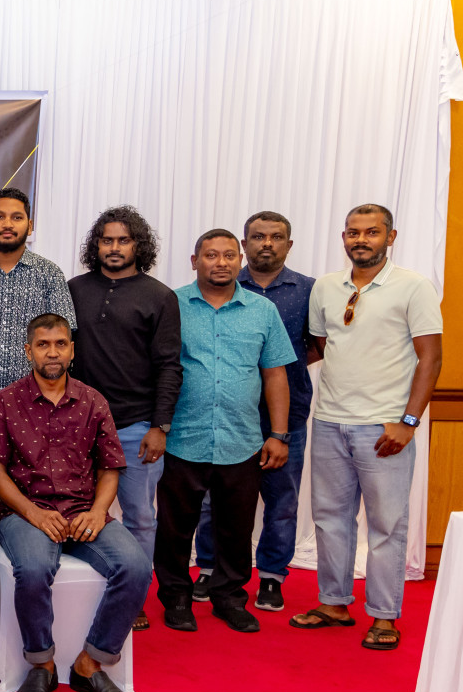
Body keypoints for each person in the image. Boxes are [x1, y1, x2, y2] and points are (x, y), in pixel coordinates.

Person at [0, 314, 150, 692]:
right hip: (24, 512)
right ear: (28, 350)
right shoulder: (4, 401)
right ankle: (43, 664)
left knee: (137, 566)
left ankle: (91, 664)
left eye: (59, 344)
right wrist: (32, 513)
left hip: (83, 510)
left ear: (71, 350)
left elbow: (110, 467)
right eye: (42, 344)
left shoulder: (93, 400)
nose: (51, 352)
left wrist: (98, 511)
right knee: (35, 569)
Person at [291, 204, 443, 649]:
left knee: (387, 525)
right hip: (329, 420)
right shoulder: (325, 287)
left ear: (390, 238)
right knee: (330, 519)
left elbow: (431, 358)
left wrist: (409, 421)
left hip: (384, 427)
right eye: (353, 232)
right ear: (344, 238)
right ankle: (334, 602)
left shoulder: (413, 287)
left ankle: (383, 616)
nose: (361, 239)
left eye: (372, 232)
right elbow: (321, 347)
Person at [153, 230, 294, 634]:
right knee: (175, 528)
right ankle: (176, 598)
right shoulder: (171, 304)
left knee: (236, 527)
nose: (221, 262)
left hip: (241, 440)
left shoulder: (262, 310)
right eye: (211, 255)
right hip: (182, 437)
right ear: (194, 259)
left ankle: (229, 598)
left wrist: (279, 434)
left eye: (230, 255)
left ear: (241, 259)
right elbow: (157, 369)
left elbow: (275, 374)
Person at [194, 211, 319, 612]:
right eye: (258, 237)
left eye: (277, 237)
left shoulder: (308, 290)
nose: (267, 243)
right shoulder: (225, 283)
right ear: (244, 245)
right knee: (215, 498)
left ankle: (270, 576)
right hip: (227, 412)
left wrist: (281, 372)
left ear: (289, 244)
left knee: (281, 499)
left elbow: (317, 346)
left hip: (288, 412)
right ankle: (210, 567)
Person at [67, 205, 181, 631]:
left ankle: (133, 598)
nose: (114, 248)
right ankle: (86, 586)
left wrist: (160, 426)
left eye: (123, 240)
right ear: (96, 245)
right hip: (79, 425)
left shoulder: (159, 296)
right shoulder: (73, 289)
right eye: (106, 240)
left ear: (139, 246)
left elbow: (170, 366)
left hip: (136, 427)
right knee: (76, 509)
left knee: (140, 517)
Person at [0, 188, 76, 549]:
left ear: (29, 225)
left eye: (16, 217)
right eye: (0, 216)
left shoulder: (49, 275)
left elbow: (63, 346)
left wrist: (25, 403)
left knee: (33, 496)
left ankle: (27, 568)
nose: (8, 224)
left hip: (35, 413)